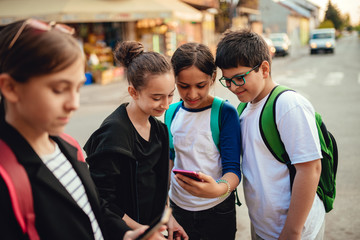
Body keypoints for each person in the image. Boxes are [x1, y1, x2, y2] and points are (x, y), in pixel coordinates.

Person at [0, 18, 164, 240]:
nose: (74, 103)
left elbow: (92, 213)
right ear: (10, 87)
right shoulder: (6, 176)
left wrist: (126, 234)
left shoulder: (69, 146)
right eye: (59, 89)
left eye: (77, 88)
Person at [215, 29, 325, 240]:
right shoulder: (244, 109)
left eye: (239, 78)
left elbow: (310, 169)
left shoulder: (287, 105)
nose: (232, 87)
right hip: (264, 228)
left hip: (297, 230)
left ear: (264, 69)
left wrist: (292, 231)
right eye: (227, 80)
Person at [83, 41, 188, 240]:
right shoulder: (114, 133)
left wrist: (169, 219)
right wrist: (142, 231)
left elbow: (159, 187)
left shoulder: (159, 130)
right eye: (157, 97)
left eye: (170, 95)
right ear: (133, 92)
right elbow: (101, 199)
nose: (166, 105)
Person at [167, 42, 241, 240]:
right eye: (183, 86)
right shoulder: (171, 112)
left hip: (217, 211)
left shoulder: (224, 113)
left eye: (200, 85)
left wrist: (216, 189)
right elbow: (171, 158)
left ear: (213, 78)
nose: (192, 94)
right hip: (178, 210)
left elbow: (233, 170)